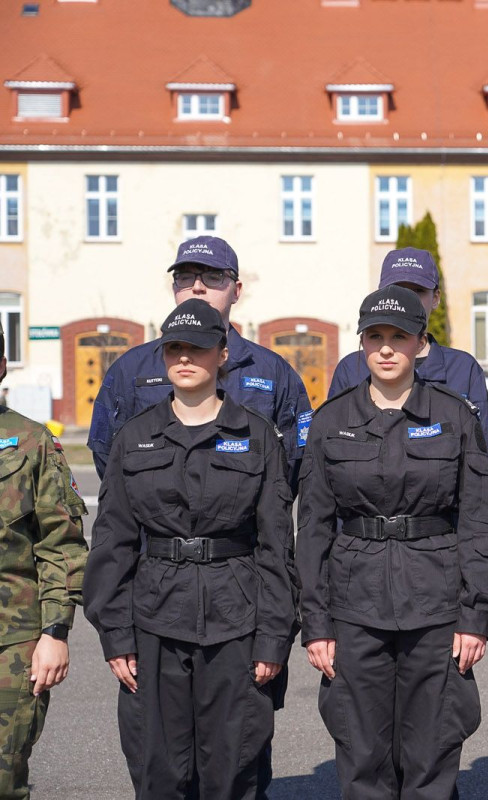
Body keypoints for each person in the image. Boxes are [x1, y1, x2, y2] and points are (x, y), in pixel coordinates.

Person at [85, 235, 307, 797]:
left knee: (235, 769)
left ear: (222, 353)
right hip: (154, 613)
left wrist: (273, 636)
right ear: (162, 354)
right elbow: (110, 536)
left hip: (237, 612)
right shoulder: (135, 430)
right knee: (159, 770)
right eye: (174, 348)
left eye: (198, 347)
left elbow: (276, 538)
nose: (185, 357)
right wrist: (115, 631)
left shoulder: (258, 427)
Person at [298, 285, 488, 799]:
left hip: (435, 606)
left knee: (432, 753)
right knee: (362, 753)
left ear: (420, 343)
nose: (386, 348)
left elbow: (477, 522)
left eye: (399, 337)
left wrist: (475, 616)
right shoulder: (331, 421)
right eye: (375, 337)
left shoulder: (455, 417)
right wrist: (317, 624)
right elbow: (314, 529)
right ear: (362, 343)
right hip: (355, 606)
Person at [88, 236, 312, 484]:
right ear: (174, 288)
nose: (197, 287)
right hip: (153, 521)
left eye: (213, 276)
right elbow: (106, 453)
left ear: (236, 291)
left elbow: (295, 459)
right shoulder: (131, 368)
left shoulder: (272, 371)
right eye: (185, 277)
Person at [326, 247, 488, 506]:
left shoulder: (463, 369)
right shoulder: (352, 369)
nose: (406, 299)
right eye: (398, 288)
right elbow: (328, 467)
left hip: (441, 536)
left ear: (436, 298)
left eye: (418, 291)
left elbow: (485, 464)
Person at [0, 328, 88, 800]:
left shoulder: (32, 443)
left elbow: (62, 545)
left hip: (11, 644)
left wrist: (55, 633)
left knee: (4, 776)